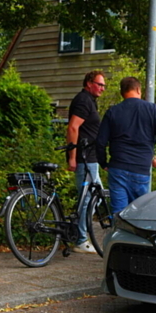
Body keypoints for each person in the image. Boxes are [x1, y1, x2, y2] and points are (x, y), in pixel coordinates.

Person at [96, 76, 156, 215]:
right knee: (139, 213)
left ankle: (119, 236)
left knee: (119, 214)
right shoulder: (152, 109)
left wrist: (103, 163)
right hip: (141, 168)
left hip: (118, 167)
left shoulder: (112, 111)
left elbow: (100, 141)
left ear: (122, 92)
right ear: (138, 90)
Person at [66, 70, 106, 254]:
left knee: (95, 197)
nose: (102, 88)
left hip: (90, 158)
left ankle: (79, 234)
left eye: (104, 85)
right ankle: (80, 240)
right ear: (89, 83)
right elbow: (73, 127)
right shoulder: (83, 100)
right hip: (84, 158)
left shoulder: (89, 101)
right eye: (99, 84)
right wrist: (72, 157)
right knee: (87, 199)